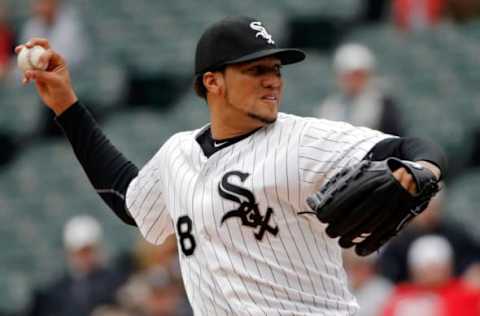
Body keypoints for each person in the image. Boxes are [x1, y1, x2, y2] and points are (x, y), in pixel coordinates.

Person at [16, 16, 445, 315]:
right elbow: (127, 200)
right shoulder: (177, 154)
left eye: (276, 69)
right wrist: (65, 106)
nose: (272, 79)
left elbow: (411, 146)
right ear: (212, 81)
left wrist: (424, 168)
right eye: (256, 69)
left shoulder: (301, 140)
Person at [26, 215, 127, 316]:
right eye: (80, 252)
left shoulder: (117, 281)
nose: (86, 257)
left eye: (89, 251)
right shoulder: (55, 291)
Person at [377, 189, 480, 283]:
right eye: (423, 209)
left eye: (433, 208)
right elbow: (389, 273)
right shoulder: (399, 242)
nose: (428, 213)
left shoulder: (456, 235)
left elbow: (472, 260)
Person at [315, 43, 404, 136]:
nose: (353, 81)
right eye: (348, 76)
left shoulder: (384, 105)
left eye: (359, 75)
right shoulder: (329, 106)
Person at [381, 235, 480, 316]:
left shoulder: (466, 293)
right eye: (425, 267)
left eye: (436, 267)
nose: (431, 273)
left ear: (448, 267)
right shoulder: (401, 295)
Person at [342, 250, 393, 316]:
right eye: (354, 266)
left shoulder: (383, 288)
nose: (358, 270)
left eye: (360, 265)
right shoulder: (344, 284)